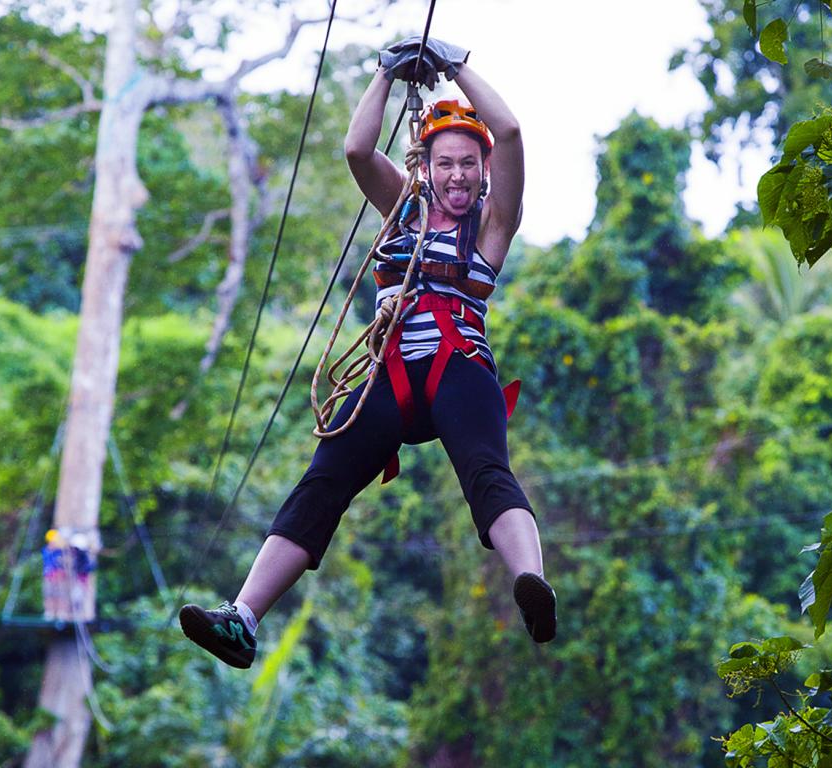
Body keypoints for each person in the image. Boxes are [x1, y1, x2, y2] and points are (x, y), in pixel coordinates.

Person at [180, 39, 556, 670]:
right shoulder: (401, 213)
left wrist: (454, 62)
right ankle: (242, 619)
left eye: (469, 163)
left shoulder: (493, 223)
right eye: (446, 164)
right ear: (426, 168)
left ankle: (532, 584)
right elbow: (357, 149)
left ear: (483, 171)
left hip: (457, 365)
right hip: (390, 374)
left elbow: (511, 130)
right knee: (323, 479)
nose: (458, 174)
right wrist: (385, 69)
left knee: (488, 472)